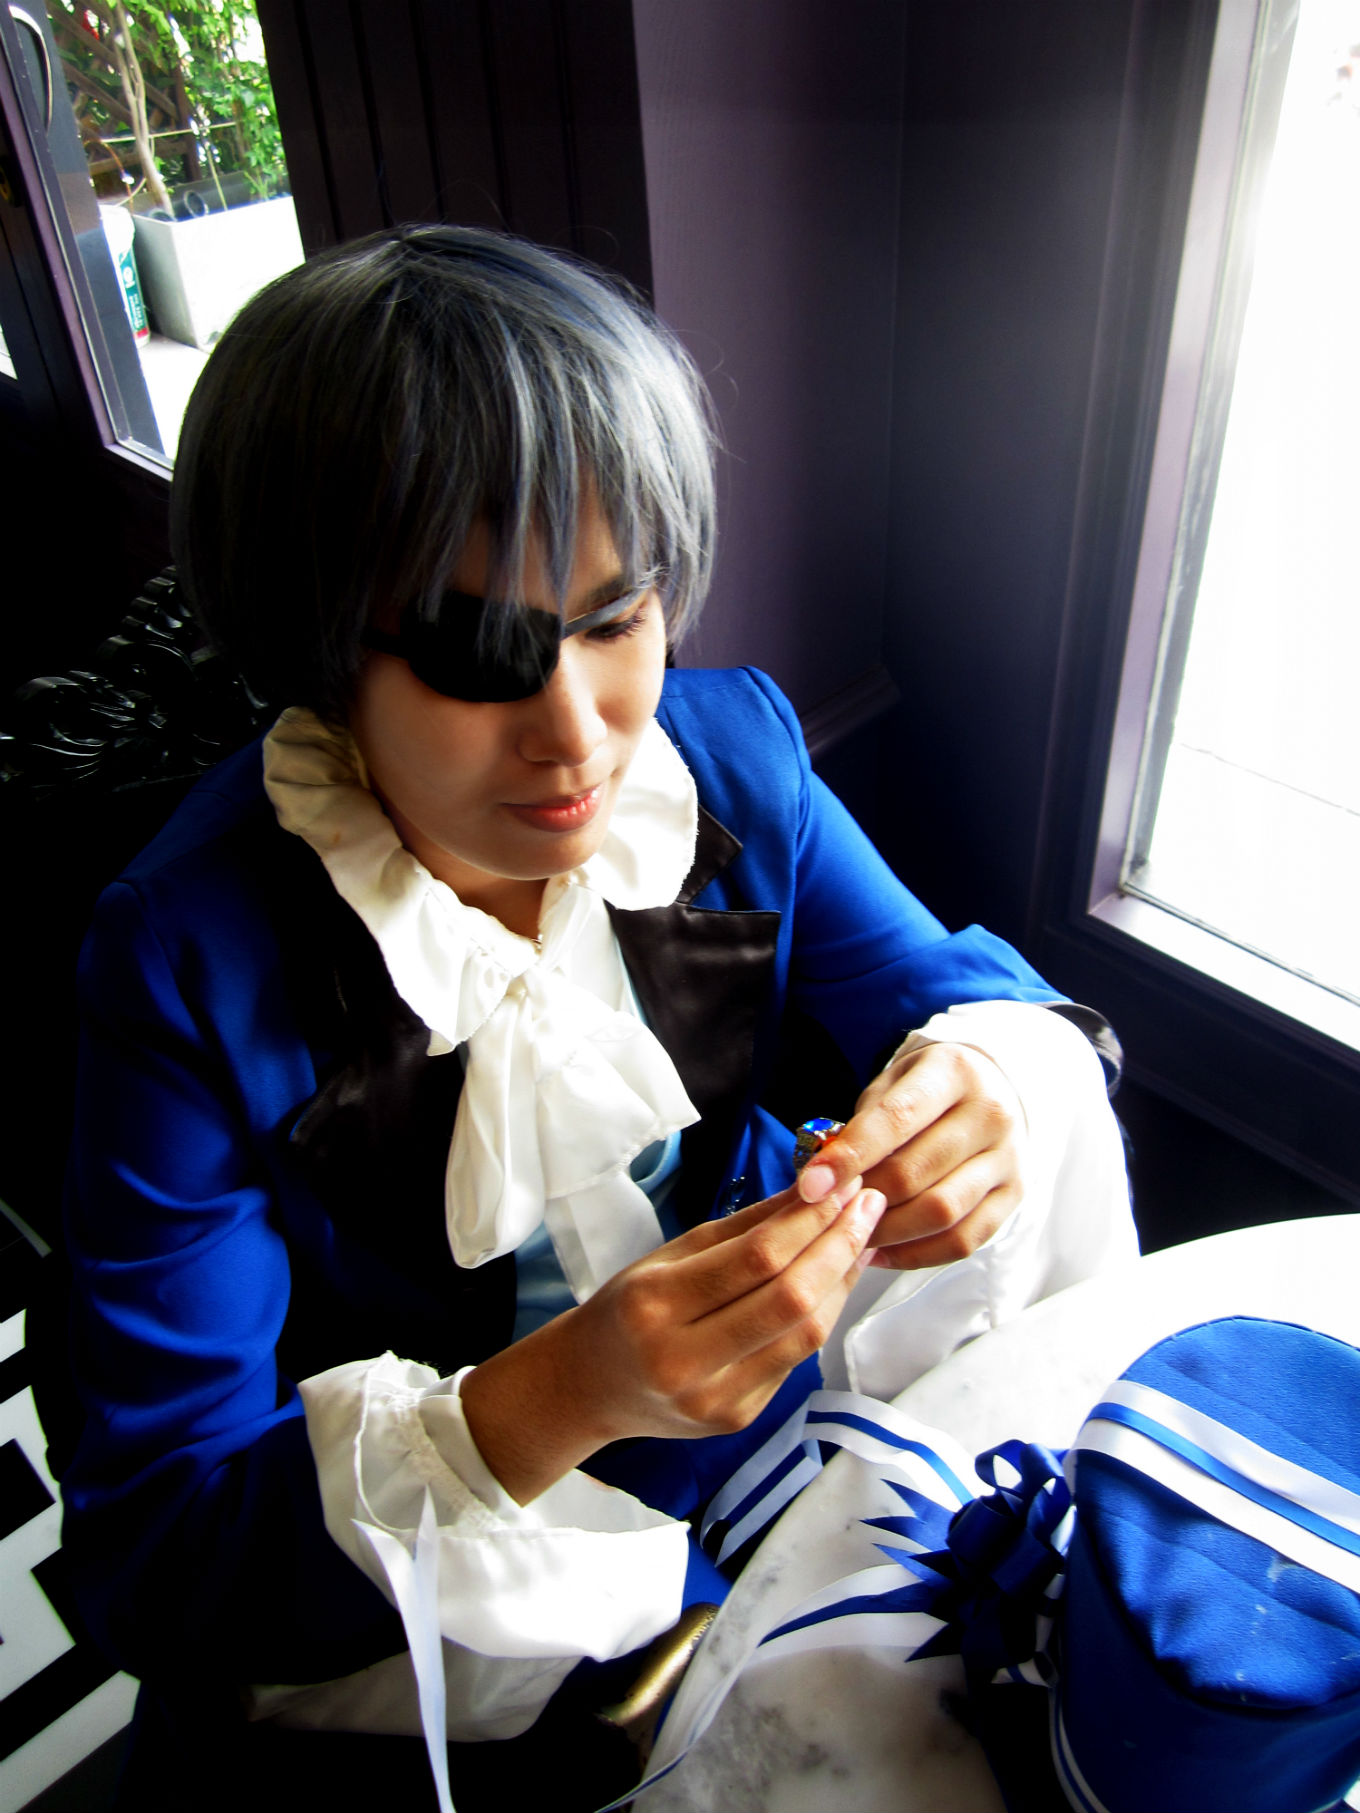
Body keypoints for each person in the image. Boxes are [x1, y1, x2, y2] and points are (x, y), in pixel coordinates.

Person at [60, 225, 1134, 1805]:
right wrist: (559, 1392)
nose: (578, 734)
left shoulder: (731, 756)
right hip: (445, 1558)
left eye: (618, 614)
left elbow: (971, 997)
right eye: (475, 650)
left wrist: (981, 1086)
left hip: (770, 1437)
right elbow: (157, 1541)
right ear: (317, 645)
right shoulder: (185, 958)